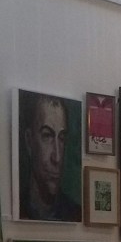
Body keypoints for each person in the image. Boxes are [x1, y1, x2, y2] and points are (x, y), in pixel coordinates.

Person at [19, 93, 80, 221]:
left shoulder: (75, 214)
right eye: (47, 136)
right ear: (29, 141)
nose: (57, 158)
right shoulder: (18, 207)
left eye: (62, 138)